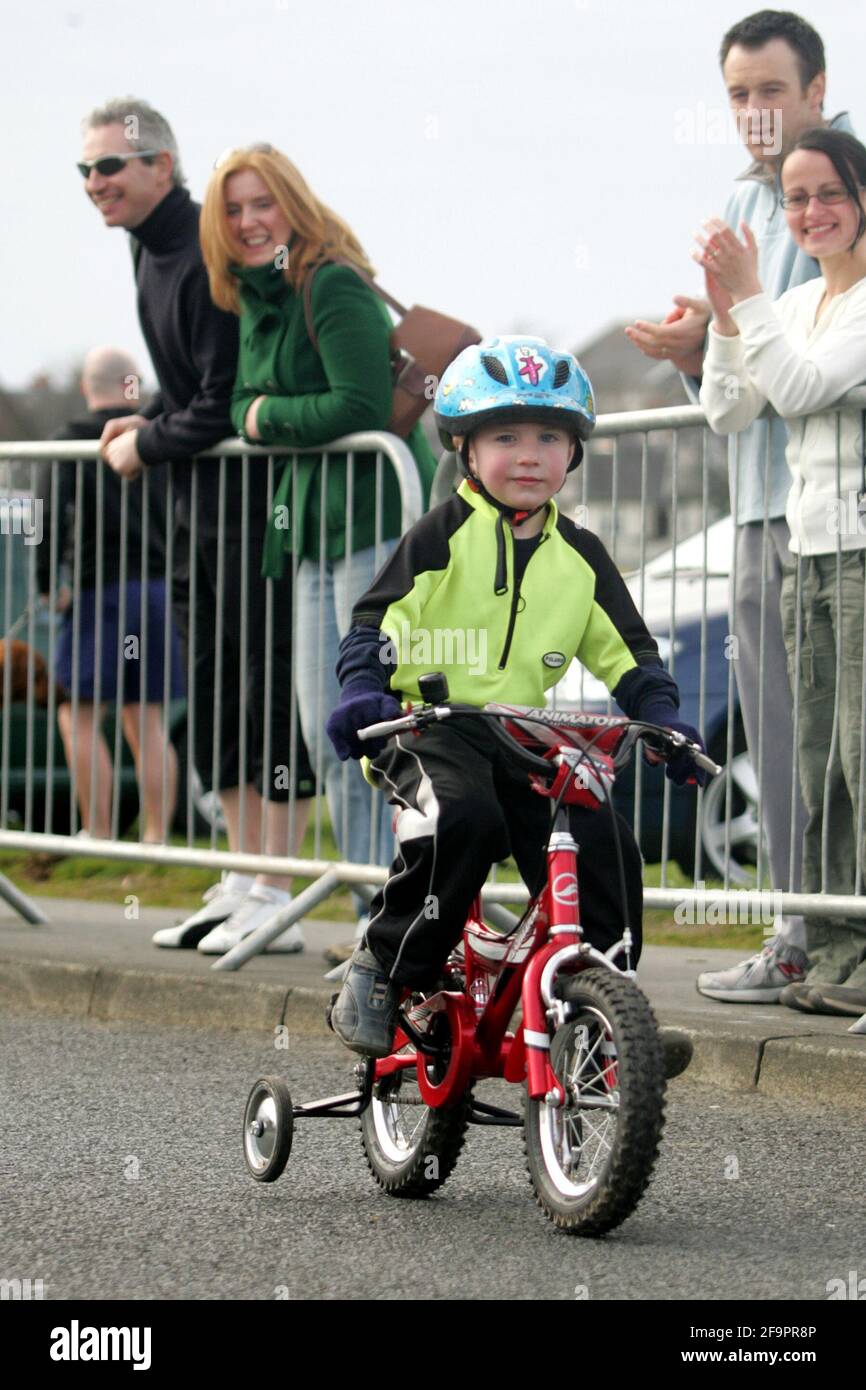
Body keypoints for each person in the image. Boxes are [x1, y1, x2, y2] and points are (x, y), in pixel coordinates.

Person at [324, 336, 706, 1057]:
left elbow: (631, 654)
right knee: (460, 818)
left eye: (550, 438)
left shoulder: (582, 556)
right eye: (506, 436)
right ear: (466, 450)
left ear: (574, 452)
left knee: (604, 841)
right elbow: (378, 623)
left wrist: (663, 720)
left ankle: (601, 1005)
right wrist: (362, 693)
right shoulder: (441, 535)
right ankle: (382, 966)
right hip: (425, 727)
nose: (529, 455)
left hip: (520, 733)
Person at [626, 9, 855, 1003]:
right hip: (764, 507)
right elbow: (738, 382)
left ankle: (824, 940)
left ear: (813, 89)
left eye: (769, 91)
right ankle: (800, 935)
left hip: (833, 516)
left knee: (841, 751)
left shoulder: (837, 191)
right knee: (784, 743)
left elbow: (802, 366)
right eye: (735, 96)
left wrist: (733, 320)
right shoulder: (735, 201)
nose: (753, 114)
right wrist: (698, 349)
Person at [79, 99, 315, 952]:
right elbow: (193, 394)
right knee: (213, 691)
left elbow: (223, 402)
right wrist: (137, 425)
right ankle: (245, 876)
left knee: (262, 693)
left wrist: (149, 441)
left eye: (110, 166)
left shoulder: (206, 247)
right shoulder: (150, 248)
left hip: (254, 514)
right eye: (86, 171)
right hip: (196, 515)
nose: (95, 183)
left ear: (160, 166)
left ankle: (277, 891)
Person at [199, 144, 438, 960]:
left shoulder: (329, 282)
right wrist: (259, 413)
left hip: (369, 517)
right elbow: (236, 402)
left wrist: (268, 418)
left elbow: (362, 403)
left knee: (380, 724)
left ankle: (407, 912)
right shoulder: (257, 299)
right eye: (233, 210)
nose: (248, 221)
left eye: (262, 203)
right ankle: (379, 910)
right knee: (325, 726)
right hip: (306, 528)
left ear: (292, 204)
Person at [698, 127, 866, 1015]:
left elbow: (799, 390)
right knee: (818, 769)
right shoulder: (798, 306)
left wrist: (752, 295)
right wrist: (727, 316)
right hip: (808, 558)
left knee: (862, 760)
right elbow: (728, 409)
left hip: (862, 560)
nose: (810, 212)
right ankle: (836, 954)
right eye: (796, 198)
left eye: (829, 193)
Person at [38, 346, 180, 842]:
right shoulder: (156, 435)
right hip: (160, 589)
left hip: (103, 591)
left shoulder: (71, 440)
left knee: (75, 715)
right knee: (147, 721)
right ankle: (157, 839)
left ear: (85, 387)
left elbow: (47, 519)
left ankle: (97, 831)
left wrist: (44, 582)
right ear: (132, 384)